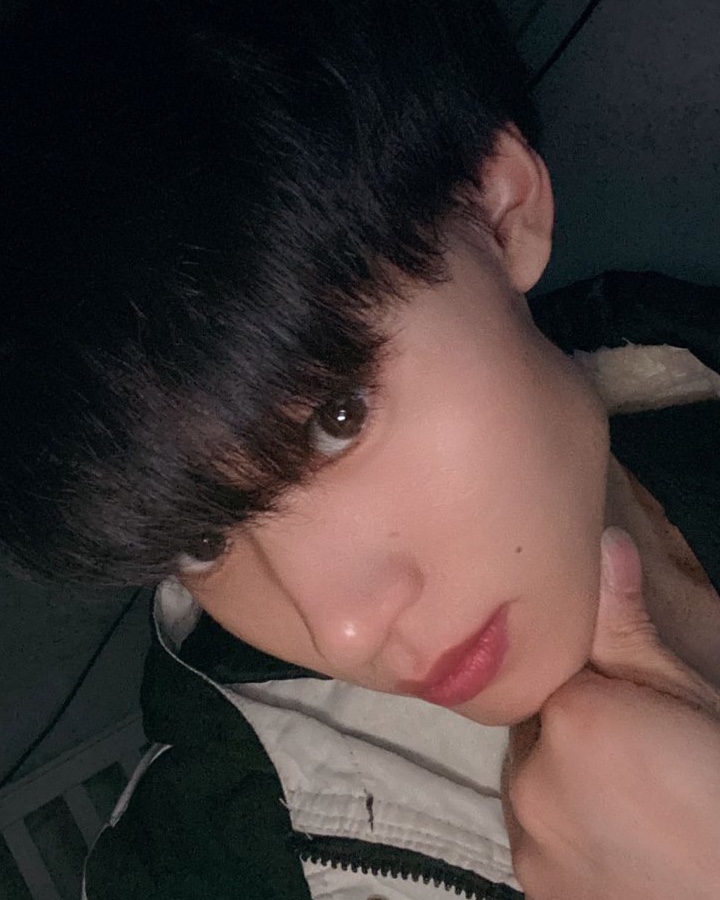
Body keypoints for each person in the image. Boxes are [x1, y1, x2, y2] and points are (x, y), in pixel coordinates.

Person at [2, 0, 720, 897]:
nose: (338, 627)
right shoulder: (213, 856)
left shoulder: (684, 350)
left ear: (499, 211)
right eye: (200, 541)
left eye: (335, 419)